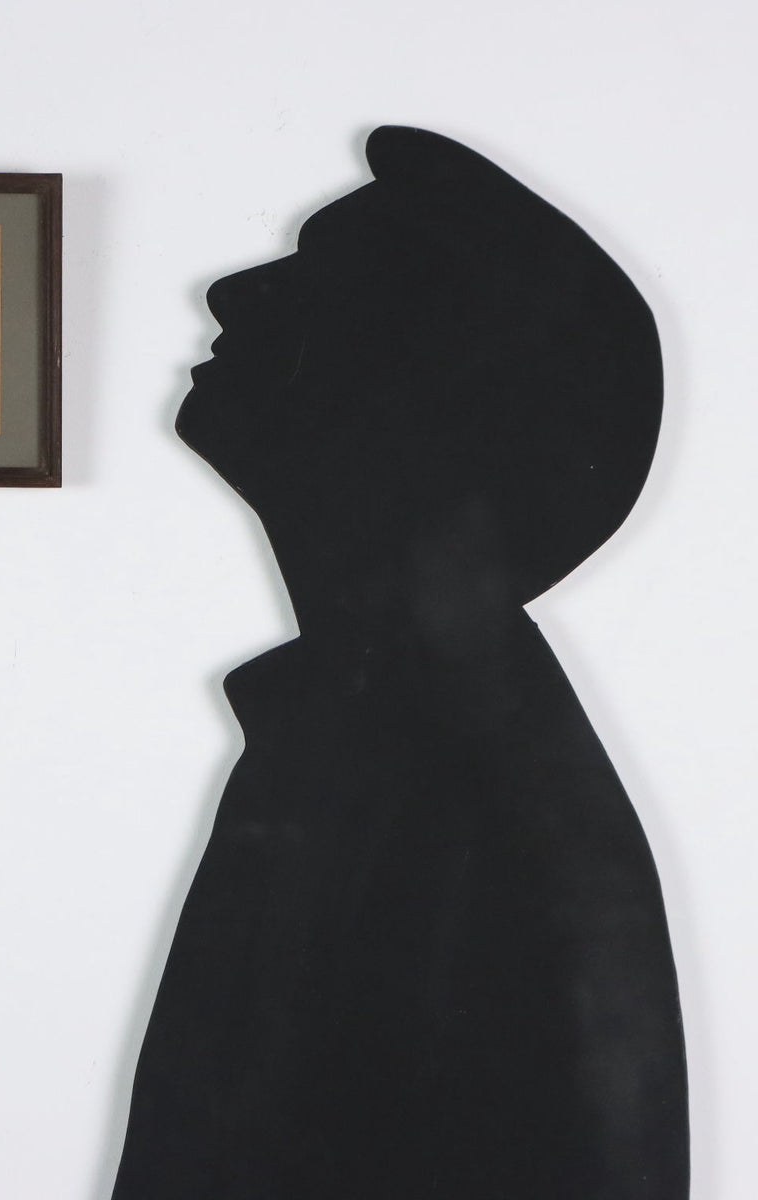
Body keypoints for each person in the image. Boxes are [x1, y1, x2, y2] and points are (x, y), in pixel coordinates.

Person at [110, 127, 688, 1199]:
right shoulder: (390, 745)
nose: (231, 293)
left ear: (422, 393)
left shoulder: (454, 785)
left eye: (320, 277)